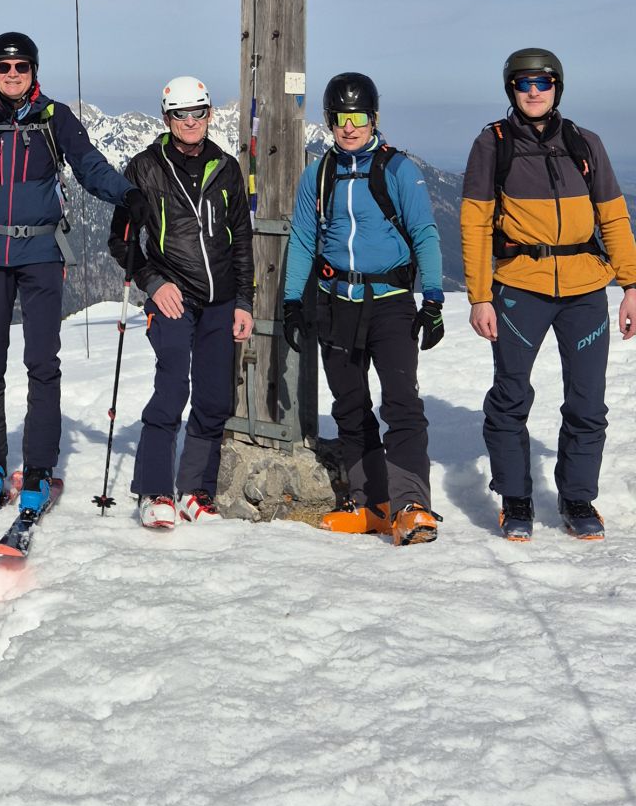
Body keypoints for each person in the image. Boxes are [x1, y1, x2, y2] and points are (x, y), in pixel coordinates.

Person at [0, 32, 145, 519]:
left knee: (42, 363)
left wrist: (127, 194)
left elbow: (90, 166)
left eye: (20, 67)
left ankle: (38, 466)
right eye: (3, 67)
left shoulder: (55, 119)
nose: (12, 75)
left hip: (41, 253)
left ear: (34, 70)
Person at [461, 47, 636, 542]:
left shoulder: (585, 143)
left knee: (588, 402)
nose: (534, 92)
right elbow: (474, 223)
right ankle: (516, 497)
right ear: (510, 90)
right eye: (523, 84)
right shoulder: (492, 145)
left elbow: (614, 217)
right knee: (511, 396)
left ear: (557, 87)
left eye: (543, 83)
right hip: (520, 288)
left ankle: (578, 498)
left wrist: (631, 284)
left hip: (585, 290)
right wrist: (478, 295)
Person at [282, 72, 444, 547]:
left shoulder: (398, 170)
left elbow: (426, 234)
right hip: (336, 304)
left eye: (358, 118)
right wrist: (294, 300)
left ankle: (411, 505)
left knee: (401, 403)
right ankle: (369, 503)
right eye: (339, 119)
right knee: (350, 406)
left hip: (391, 303)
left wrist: (432, 298)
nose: (349, 128)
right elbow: (302, 240)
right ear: (329, 122)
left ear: (374, 118)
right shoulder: (319, 175)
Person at [110, 76, 253, 529]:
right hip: (172, 295)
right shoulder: (144, 168)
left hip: (221, 301)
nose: (190, 123)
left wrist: (244, 301)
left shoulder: (227, 168)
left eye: (198, 113)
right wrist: (152, 283)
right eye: (180, 115)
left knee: (214, 398)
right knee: (172, 387)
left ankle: (196, 490)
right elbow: (121, 241)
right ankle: (154, 489)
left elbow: (243, 242)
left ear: (210, 115)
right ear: (166, 118)